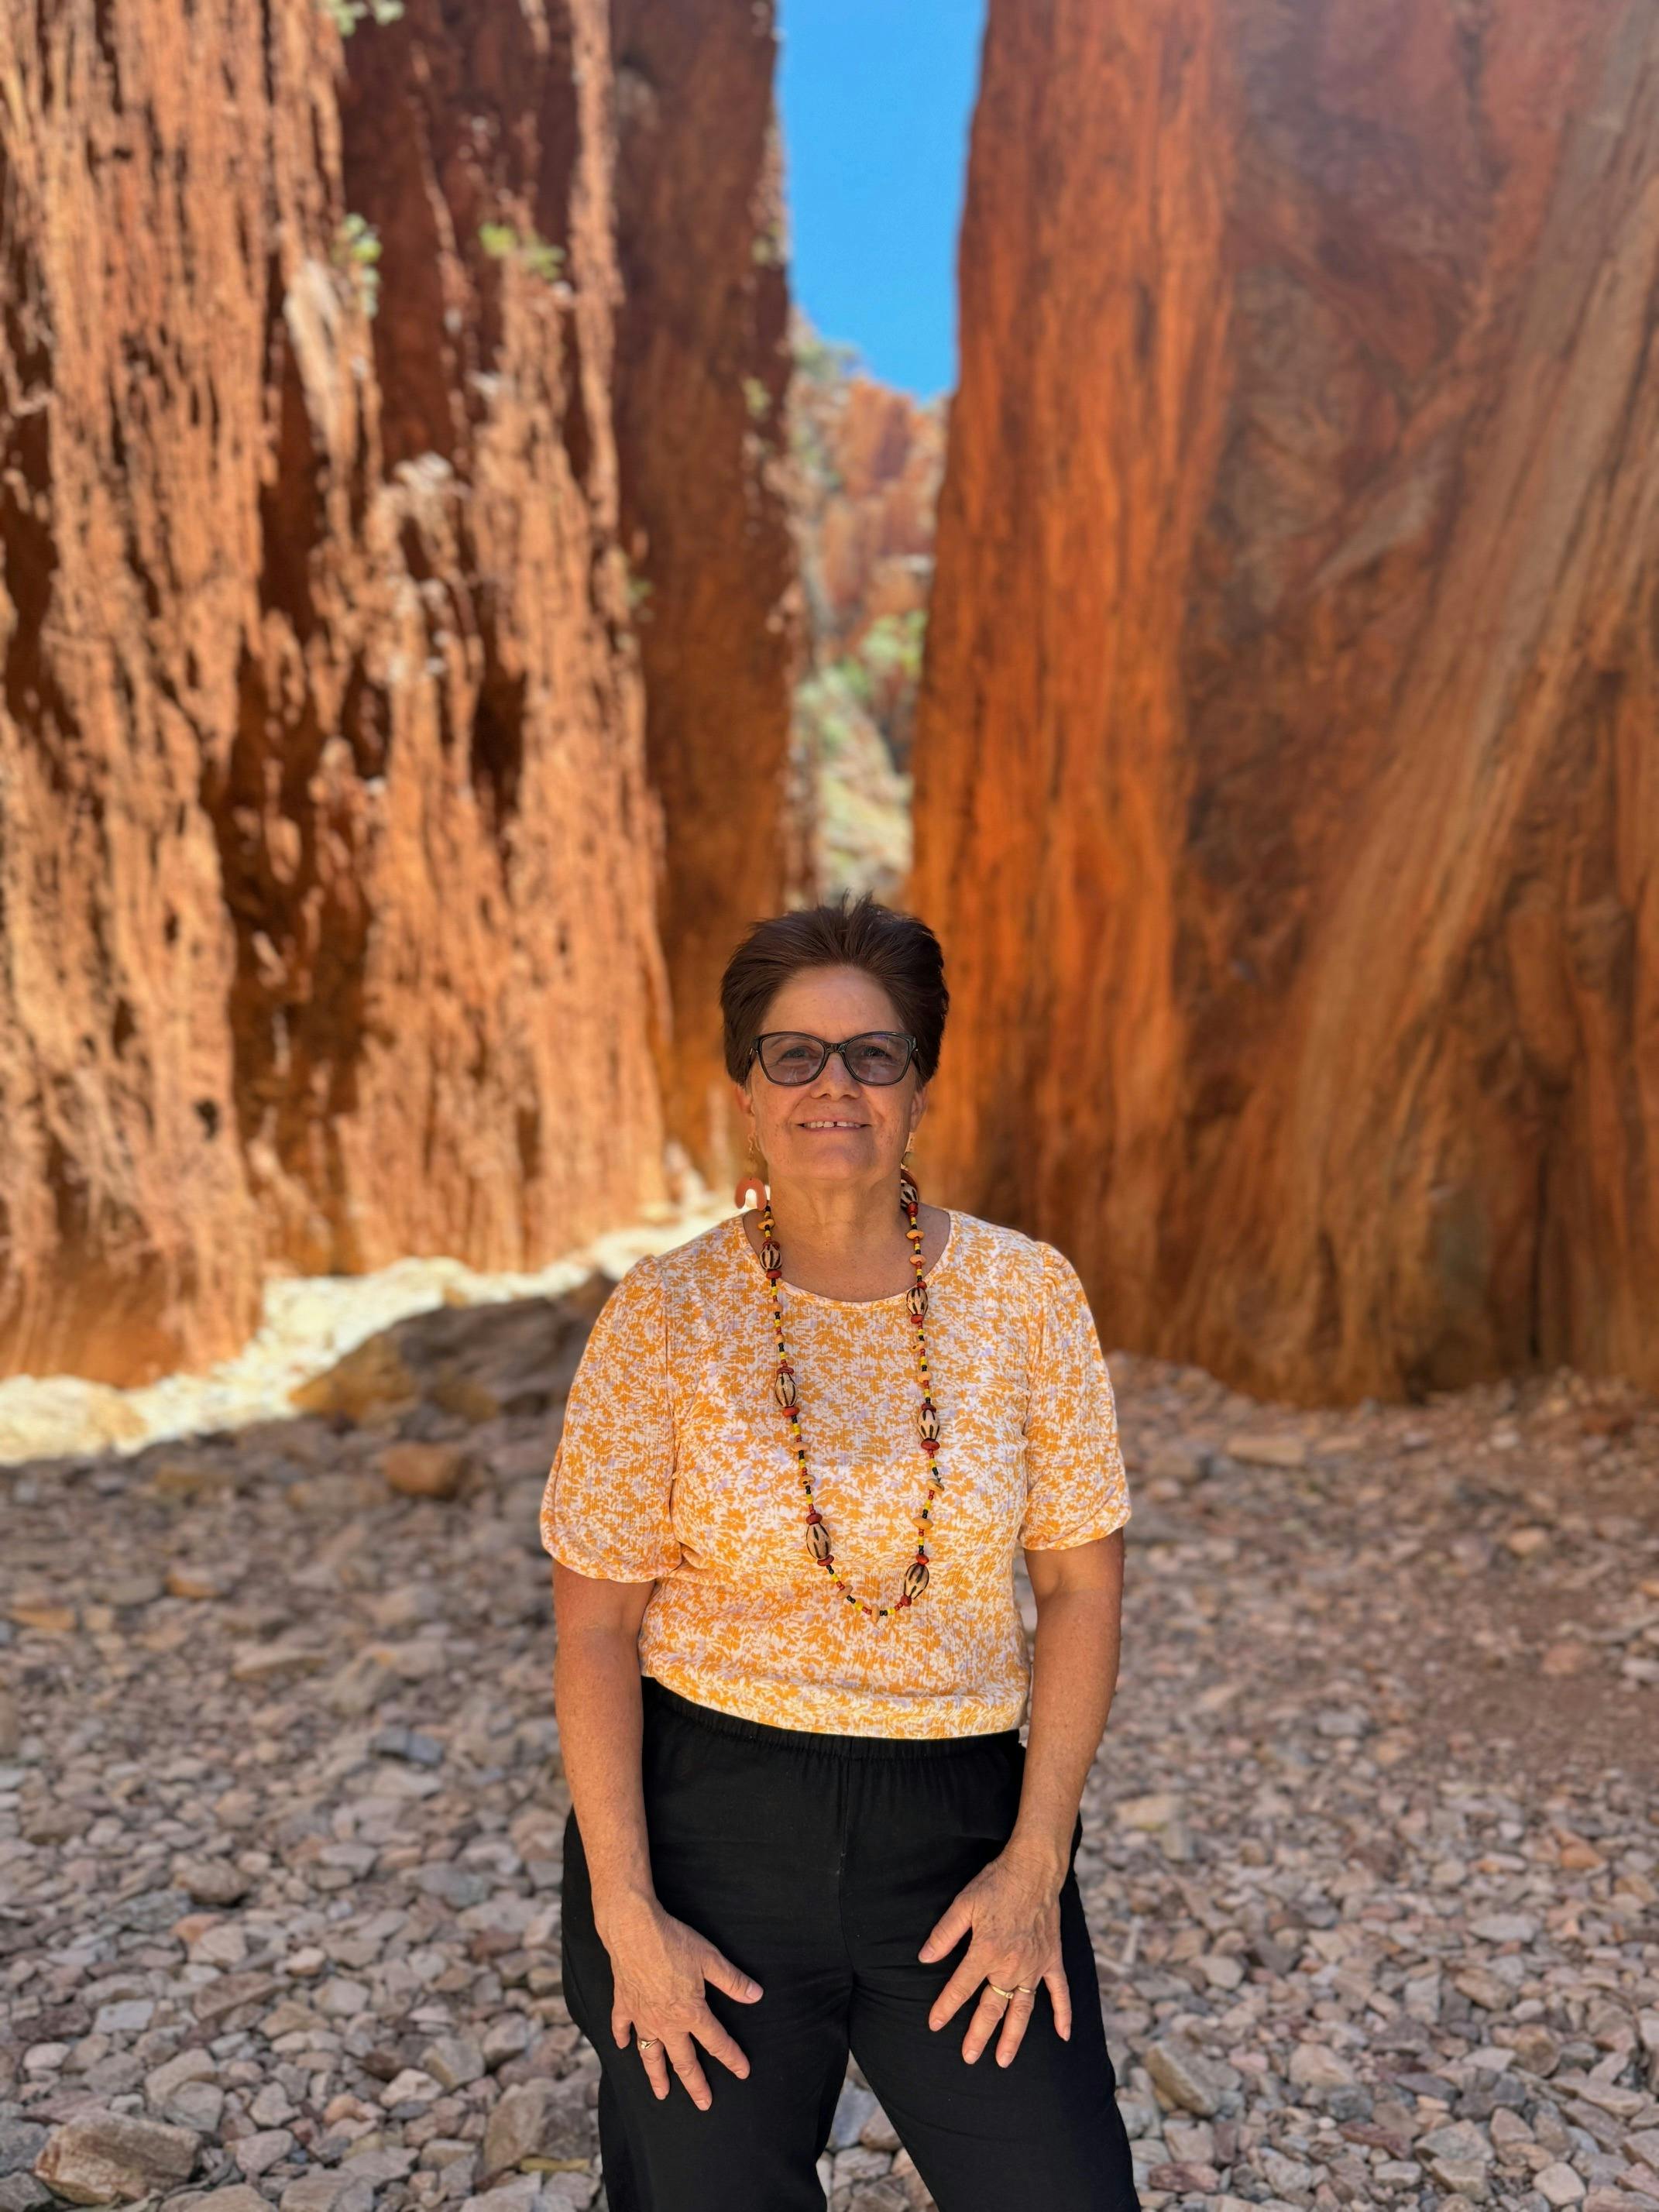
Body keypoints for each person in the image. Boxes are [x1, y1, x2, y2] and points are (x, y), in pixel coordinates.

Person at [541, 891, 1139, 2211]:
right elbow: (592, 1625)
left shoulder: (1026, 1296)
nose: (833, 1086)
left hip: (960, 1830)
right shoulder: (663, 1315)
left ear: (917, 1084)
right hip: (708, 1835)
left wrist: (1035, 1864)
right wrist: (628, 1919)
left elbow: (1080, 1587)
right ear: (745, 1089)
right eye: (792, 1054)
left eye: (873, 1054)